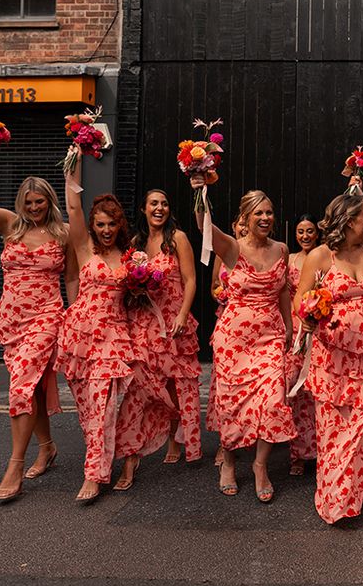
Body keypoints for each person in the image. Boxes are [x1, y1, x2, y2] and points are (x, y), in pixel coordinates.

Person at [0, 145, 74, 502]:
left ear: (49, 201)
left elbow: (71, 278)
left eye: (40, 202)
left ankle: (14, 466)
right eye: (29, 202)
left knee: (21, 387)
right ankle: (48, 447)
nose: (34, 208)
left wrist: (76, 314)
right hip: (11, 319)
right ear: (21, 203)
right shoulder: (9, 223)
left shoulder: (64, 233)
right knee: (33, 387)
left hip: (47, 316)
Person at [294, 194, 363, 523]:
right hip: (334, 354)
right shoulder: (320, 257)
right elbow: (301, 299)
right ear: (348, 220)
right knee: (337, 429)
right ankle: (336, 496)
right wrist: (307, 318)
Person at [193, 178, 295, 502]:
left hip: (270, 335)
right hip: (234, 337)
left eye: (269, 213)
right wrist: (199, 189)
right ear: (246, 218)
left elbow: (282, 291)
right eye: (259, 214)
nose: (265, 218)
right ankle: (230, 459)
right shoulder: (233, 249)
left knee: (273, 397)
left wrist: (290, 326)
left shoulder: (282, 249)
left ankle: (260, 465)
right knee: (231, 402)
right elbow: (204, 226)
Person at [57, 159, 147, 503]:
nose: (106, 230)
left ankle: (94, 475)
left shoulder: (130, 257)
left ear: (118, 225)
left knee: (103, 405)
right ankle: (106, 455)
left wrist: (141, 288)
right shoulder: (84, 248)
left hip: (113, 337)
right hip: (79, 335)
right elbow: (73, 205)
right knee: (86, 409)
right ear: (92, 226)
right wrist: (76, 156)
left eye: (111, 224)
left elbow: (141, 295)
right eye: (100, 224)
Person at [130, 189, 202, 466]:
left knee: (178, 383)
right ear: (144, 209)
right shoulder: (137, 243)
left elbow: (191, 279)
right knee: (149, 383)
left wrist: (183, 314)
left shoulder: (178, 239)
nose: (159, 208)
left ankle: (176, 438)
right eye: (154, 204)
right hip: (146, 320)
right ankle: (144, 437)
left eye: (164, 204)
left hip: (174, 317)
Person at [207, 213, 248, 466]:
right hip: (228, 322)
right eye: (240, 222)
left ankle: (250, 433)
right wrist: (221, 295)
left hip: (255, 327)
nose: (244, 226)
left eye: (247, 221)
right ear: (233, 226)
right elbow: (214, 286)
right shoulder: (224, 252)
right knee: (226, 386)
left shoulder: (265, 250)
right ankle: (226, 443)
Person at [286, 214, 320, 476]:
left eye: (310, 231)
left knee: (315, 390)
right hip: (296, 324)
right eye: (301, 231)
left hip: (319, 322)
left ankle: (318, 451)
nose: (305, 236)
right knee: (295, 391)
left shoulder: (323, 258)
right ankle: (296, 452)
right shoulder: (289, 260)